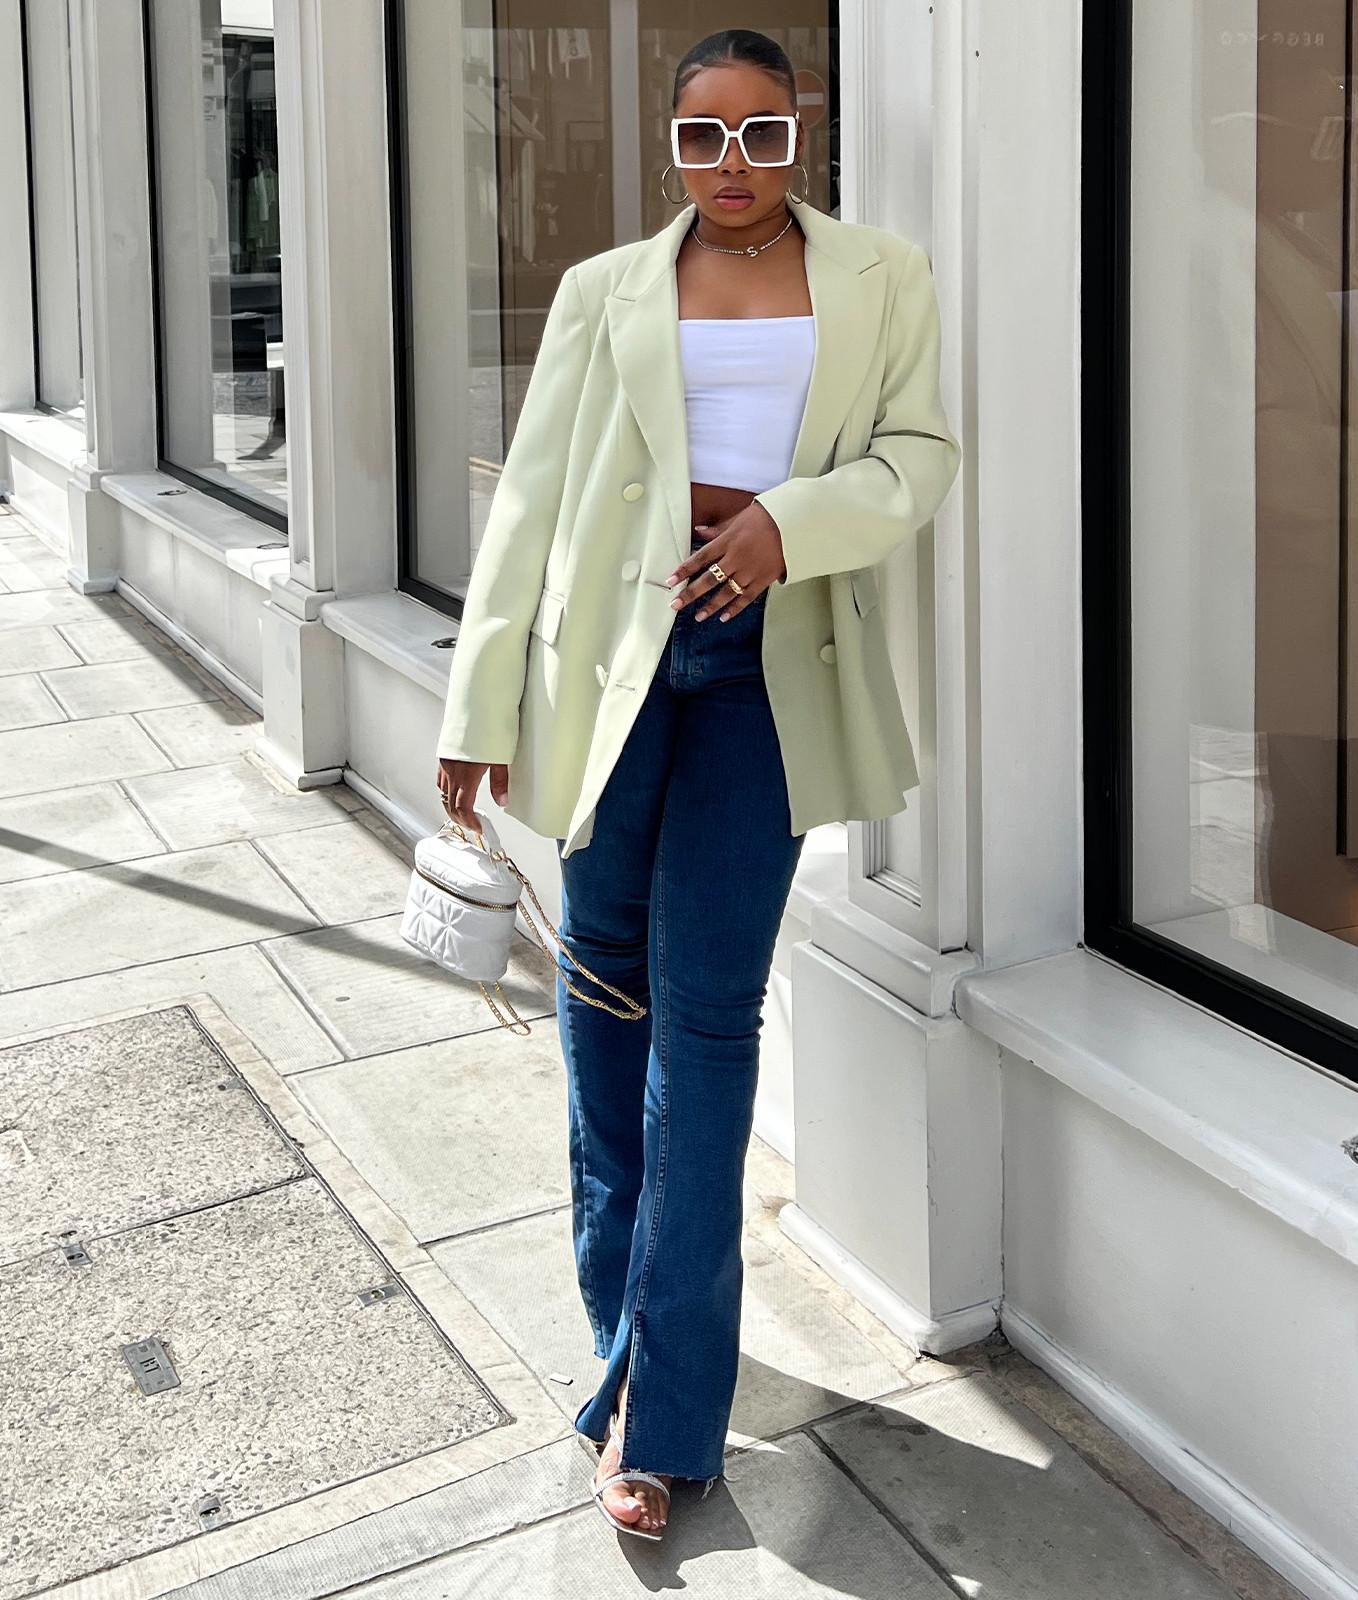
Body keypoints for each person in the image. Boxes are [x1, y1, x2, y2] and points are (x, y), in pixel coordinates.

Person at [434, 27, 960, 1540]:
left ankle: (663, 1414)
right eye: (705, 138)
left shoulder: (881, 280)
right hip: (611, 673)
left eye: (765, 137)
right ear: (672, 148)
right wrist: (478, 706)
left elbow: (922, 455)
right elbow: (530, 503)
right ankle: (626, 1342)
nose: (736, 167)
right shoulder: (607, 292)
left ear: (807, 138)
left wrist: (791, 523)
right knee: (603, 1000)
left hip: (765, 685)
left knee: (708, 1023)